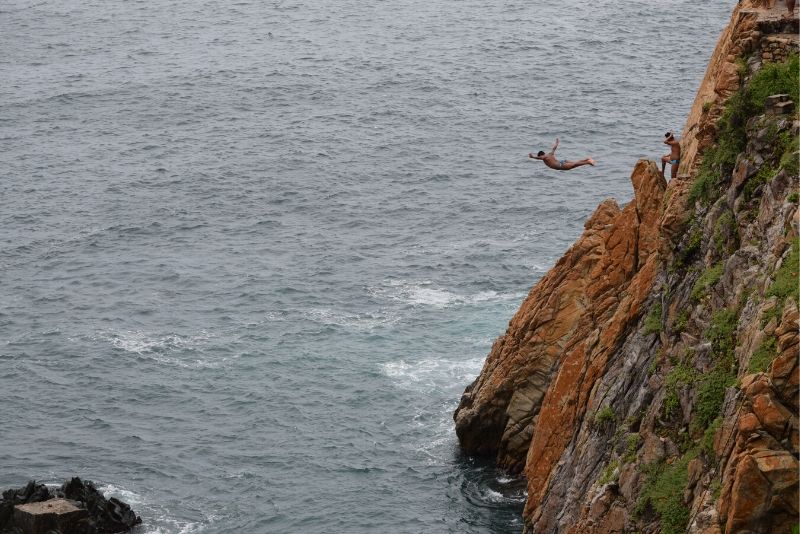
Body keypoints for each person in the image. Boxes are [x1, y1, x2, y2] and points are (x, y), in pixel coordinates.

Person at [528, 137, 595, 170]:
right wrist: (557, 143)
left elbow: (540, 158)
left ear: (541, 155)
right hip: (561, 162)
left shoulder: (544, 157)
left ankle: (588, 162)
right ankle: (586, 159)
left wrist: (533, 157)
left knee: (574, 165)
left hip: (560, 165)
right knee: (574, 163)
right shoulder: (550, 154)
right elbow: (554, 148)